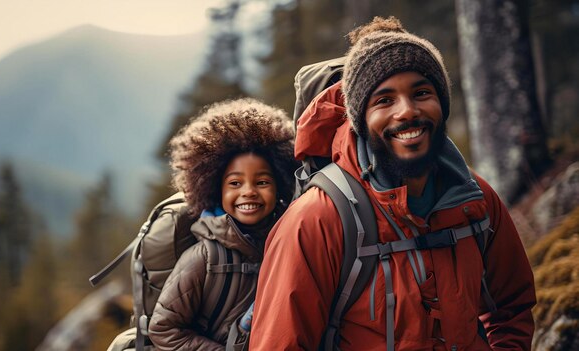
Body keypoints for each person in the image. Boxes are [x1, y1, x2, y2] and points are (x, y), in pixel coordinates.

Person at [250, 16, 536, 350]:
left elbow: (512, 307)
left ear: (442, 104)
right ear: (360, 118)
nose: (407, 111)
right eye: (384, 100)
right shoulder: (316, 219)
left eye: (422, 92)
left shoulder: (475, 198)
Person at [148, 98, 297, 350]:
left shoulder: (288, 242)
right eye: (235, 183)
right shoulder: (203, 258)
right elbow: (163, 328)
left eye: (262, 182)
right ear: (215, 189)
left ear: (280, 186)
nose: (248, 192)